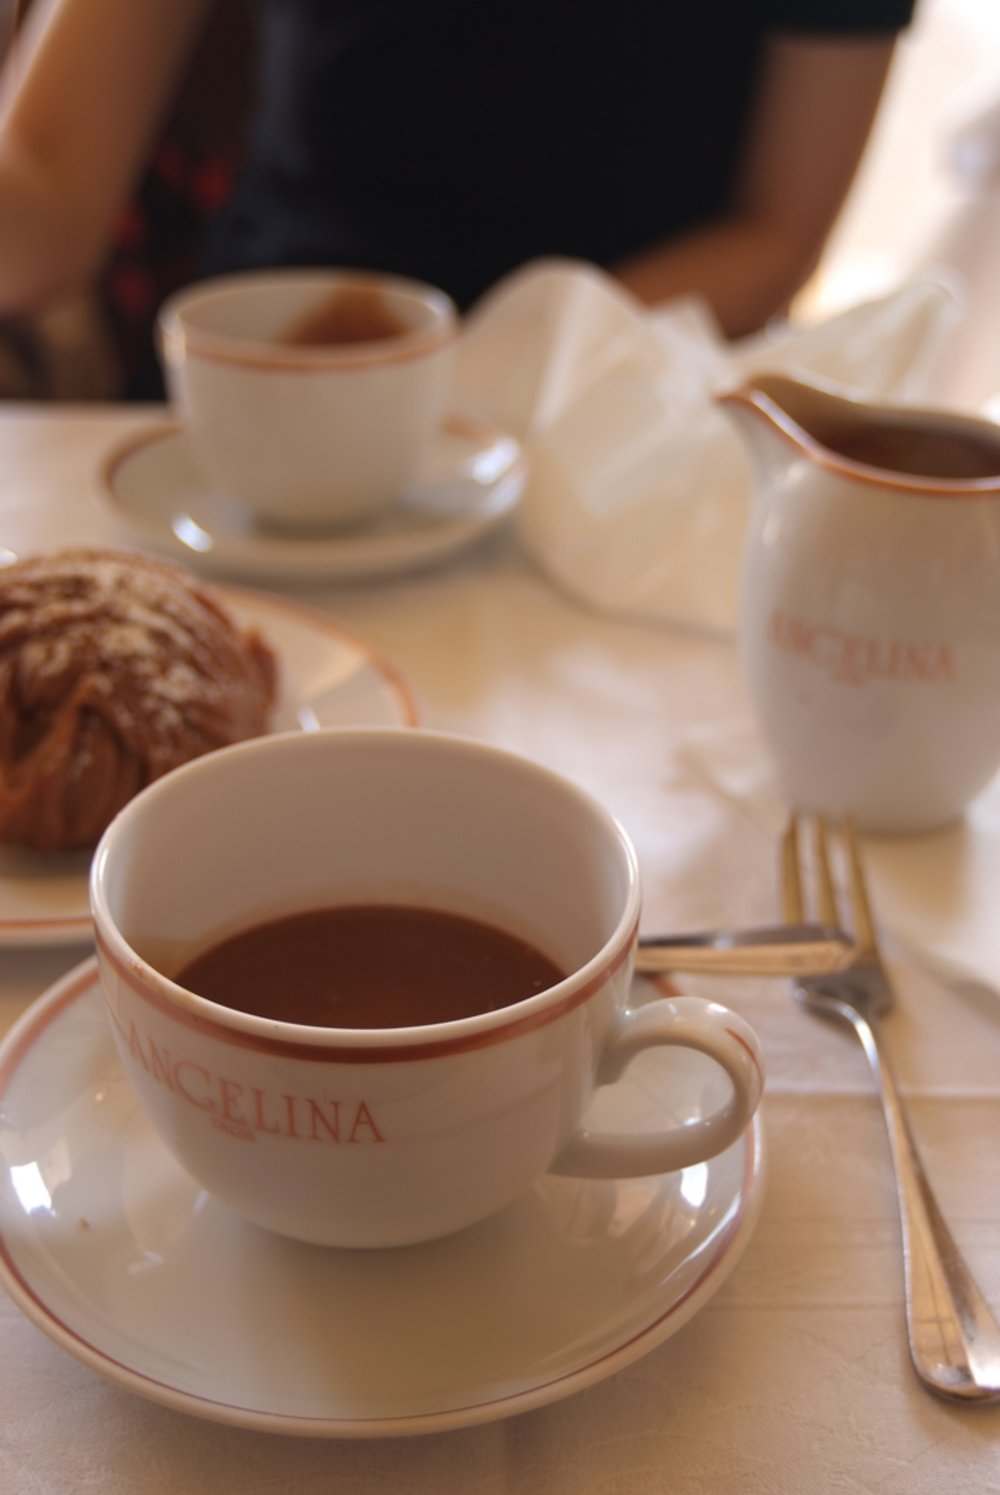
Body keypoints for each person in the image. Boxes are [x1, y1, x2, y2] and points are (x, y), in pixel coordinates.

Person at [0, 0, 916, 398]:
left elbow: (779, 231)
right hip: (252, 393)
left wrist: (473, 380)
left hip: (595, 417)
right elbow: (46, 200)